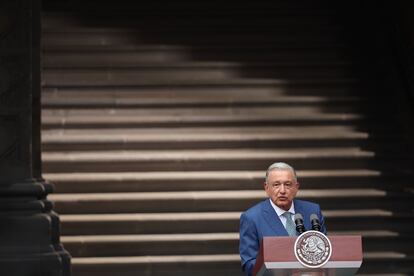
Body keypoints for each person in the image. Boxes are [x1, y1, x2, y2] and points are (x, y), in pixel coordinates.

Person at [239, 162, 327, 276]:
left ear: (296, 187)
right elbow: (249, 265)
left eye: (288, 184)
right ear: (266, 188)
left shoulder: (312, 212)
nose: (282, 190)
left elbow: (325, 253)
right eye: (276, 184)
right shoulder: (251, 218)